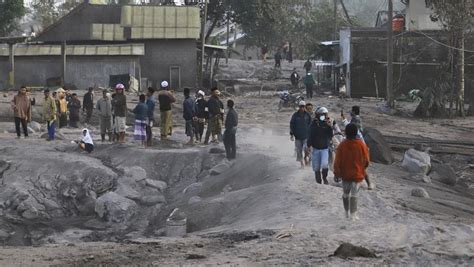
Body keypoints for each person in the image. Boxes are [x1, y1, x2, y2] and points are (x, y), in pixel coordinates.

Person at [334, 123, 370, 220]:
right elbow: (367, 160)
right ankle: (353, 215)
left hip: (345, 175)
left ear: (346, 133)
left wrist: (337, 173)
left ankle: (346, 213)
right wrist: (362, 169)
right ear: (356, 133)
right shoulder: (361, 145)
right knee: (354, 194)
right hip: (357, 174)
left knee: (346, 194)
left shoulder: (342, 145)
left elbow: (337, 161)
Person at [341, 105, 374, 190]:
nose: (350, 112)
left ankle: (368, 183)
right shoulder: (355, 120)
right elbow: (349, 127)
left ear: (354, 112)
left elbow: (352, 129)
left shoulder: (357, 121)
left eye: (352, 111)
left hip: (359, 148)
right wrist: (344, 119)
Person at [307, 107, 334, 184]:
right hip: (315, 148)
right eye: (321, 114)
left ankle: (325, 178)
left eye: (324, 114)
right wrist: (309, 145)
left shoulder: (328, 124)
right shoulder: (314, 124)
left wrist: (330, 126)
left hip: (324, 148)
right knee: (316, 167)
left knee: (325, 165)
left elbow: (331, 135)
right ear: (317, 115)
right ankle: (318, 181)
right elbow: (310, 135)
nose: (323, 116)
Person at [290, 101, 312, 168]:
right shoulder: (295, 115)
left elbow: (310, 124)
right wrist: (291, 134)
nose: (302, 108)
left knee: (306, 149)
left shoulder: (307, 115)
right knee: (299, 150)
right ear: (299, 107)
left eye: (303, 106)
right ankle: (302, 164)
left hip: (306, 136)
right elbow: (292, 124)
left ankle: (306, 159)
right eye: (301, 106)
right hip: (297, 136)